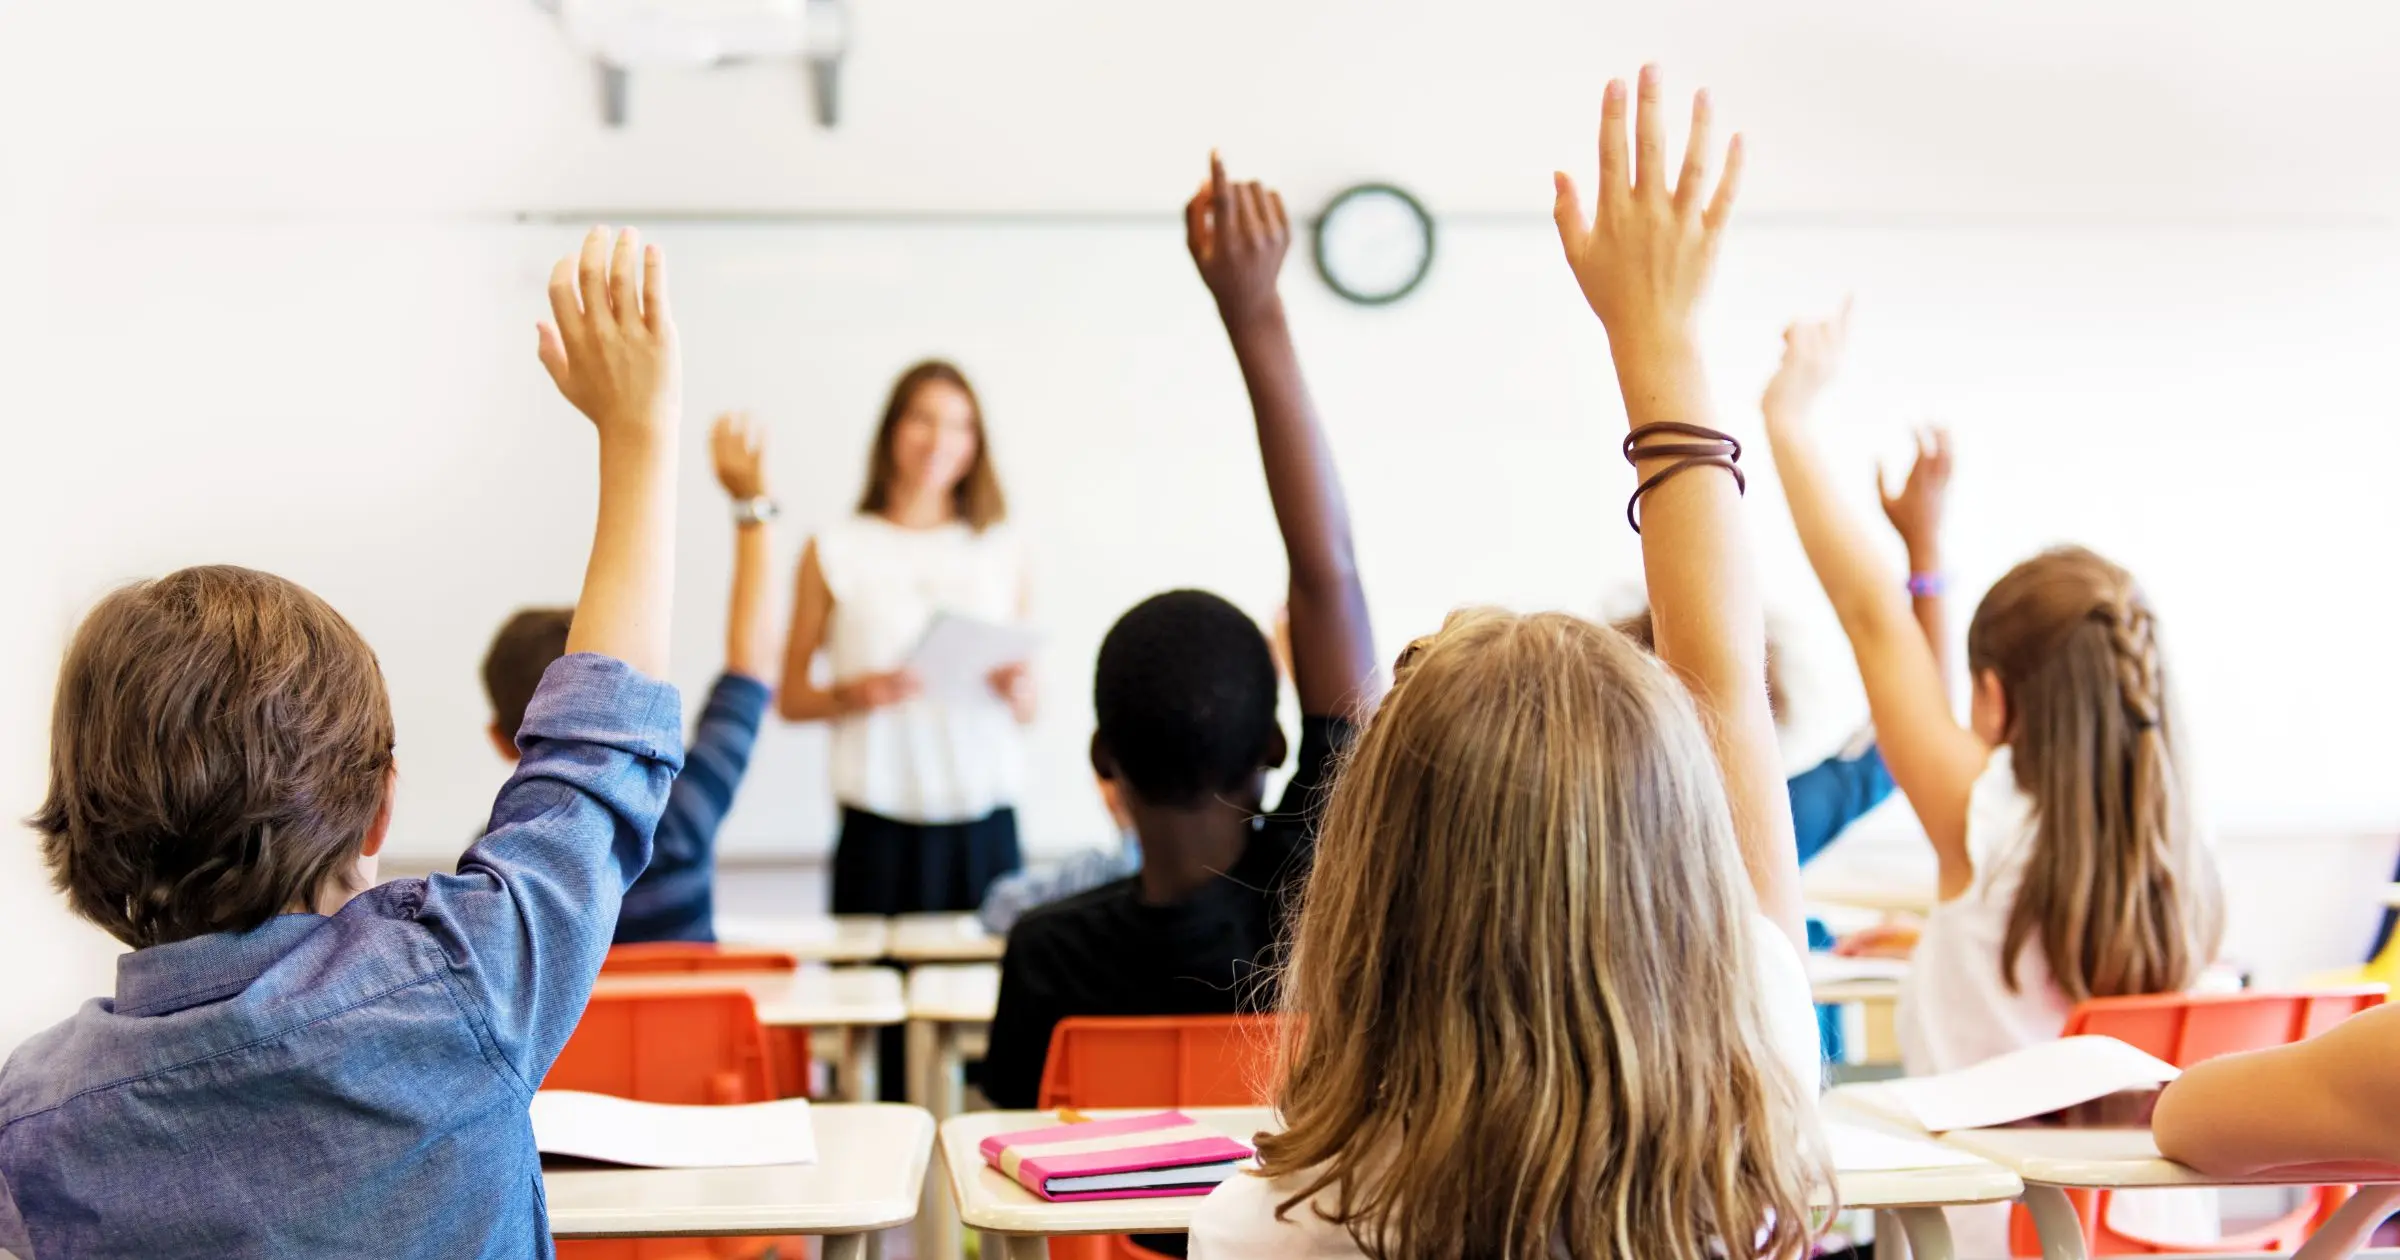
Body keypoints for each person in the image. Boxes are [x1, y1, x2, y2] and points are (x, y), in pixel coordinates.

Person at [1189, 69, 1828, 1260]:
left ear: (1377, 881)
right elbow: (1727, 687)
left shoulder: (1279, 1221)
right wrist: (1662, 341)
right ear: (1679, 855)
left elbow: (1723, 692)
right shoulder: (1756, 1113)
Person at [0, 227, 687, 1256]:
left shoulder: (32, 1120)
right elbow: (592, 763)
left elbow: (595, 756)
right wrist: (640, 434)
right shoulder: (459, 987)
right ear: (378, 807)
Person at [979, 153, 1382, 1112]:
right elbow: (1329, 576)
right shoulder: (1322, 910)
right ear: (1277, 746)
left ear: (1101, 761)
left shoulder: (1047, 953)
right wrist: (1255, 313)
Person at [1761, 300, 2224, 1078]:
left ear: (1997, 700)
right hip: (2147, 1205)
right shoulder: (2181, 856)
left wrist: (1787, 415)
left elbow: (1874, 619)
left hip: (2001, 1202)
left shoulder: (1988, 819)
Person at [481, 411, 781, 944]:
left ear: (504, 741)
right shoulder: (683, 819)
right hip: (693, 1033)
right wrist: (751, 509)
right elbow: (752, 670)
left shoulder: (496, 871)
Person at [776, 361, 1032, 915]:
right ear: (892, 428)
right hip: (879, 824)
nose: (940, 440)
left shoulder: (999, 548)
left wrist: (1019, 690)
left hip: (984, 821)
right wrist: (855, 693)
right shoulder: (834, 548)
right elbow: (790, 698)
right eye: (923, 419)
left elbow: (1029, 706)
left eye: (960, 425)